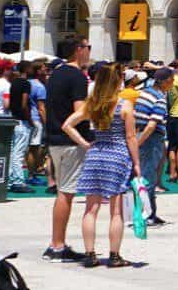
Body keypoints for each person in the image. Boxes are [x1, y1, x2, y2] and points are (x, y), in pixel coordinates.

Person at [69, 62, 140, 268]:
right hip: (117, 156)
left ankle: (90, 254)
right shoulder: (124, 105)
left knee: (91, 209)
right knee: (115, 212)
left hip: (96, 153)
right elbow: (131, 137)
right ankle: (114, 255)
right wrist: (136, 163)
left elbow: (67, 125)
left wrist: (84, 143)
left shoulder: (93, 104)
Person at [43, 40, 93, 262]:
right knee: (66, 192)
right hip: (71, 140)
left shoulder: (55, 74)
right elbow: (79, 111)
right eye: (88, 47)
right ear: (78, 50)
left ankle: (57, 242)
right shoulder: (77, 77)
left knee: (63, 191)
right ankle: (57, 245)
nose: (89, 51)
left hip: (54, 138)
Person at [135, 68, 170, 225]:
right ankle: (147, 215)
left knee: (145, 175)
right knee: (148, 177)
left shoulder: (144, 92)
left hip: (139, 134)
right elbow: (151, 125)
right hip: (151, 139)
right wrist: (139, 143)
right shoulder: (159, 98)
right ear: (165, 81)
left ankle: (151, 212)